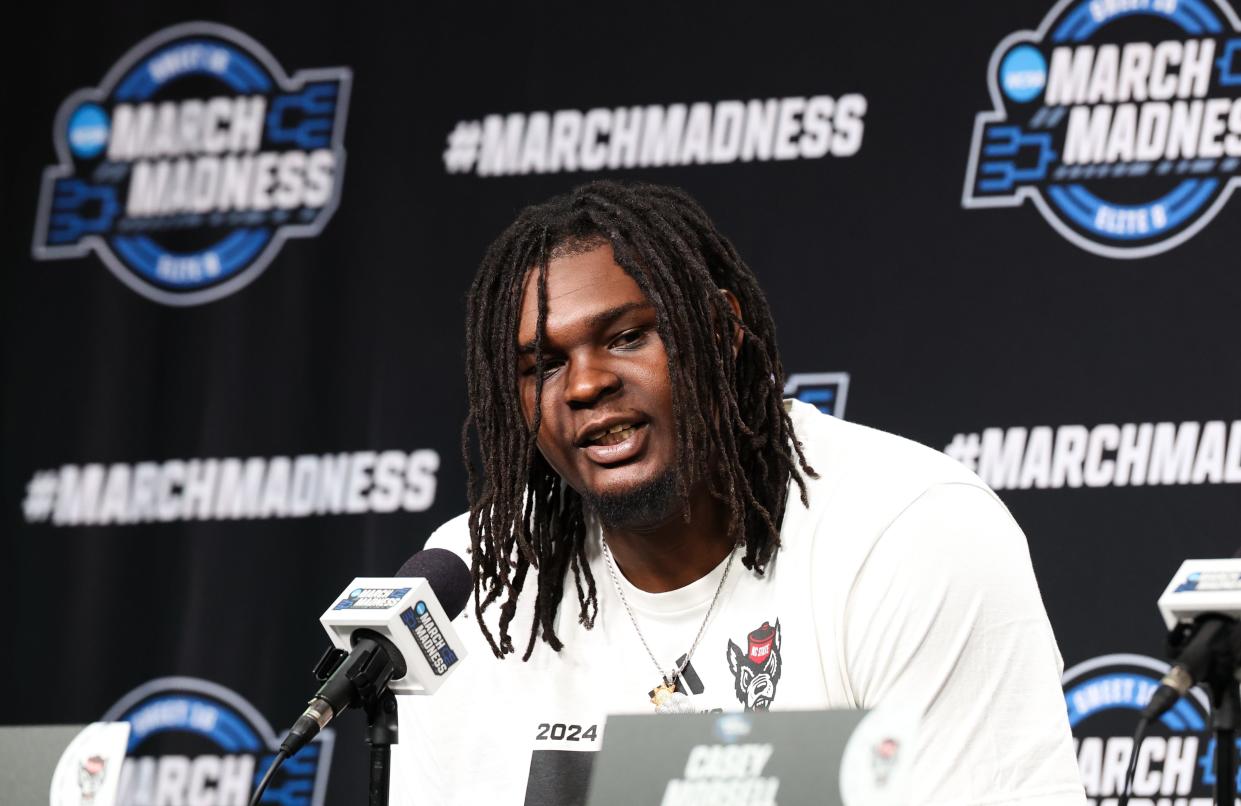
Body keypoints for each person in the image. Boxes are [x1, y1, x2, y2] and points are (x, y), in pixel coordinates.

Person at [391, 181, 1085, 805]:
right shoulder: (479, 579)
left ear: (721, 329)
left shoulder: (910, 529)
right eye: (542, 365)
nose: (583, 385)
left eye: (628, 336)